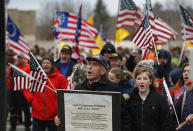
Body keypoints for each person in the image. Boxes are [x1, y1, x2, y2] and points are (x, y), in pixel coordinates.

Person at [55, 54, 130, 131]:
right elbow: (72, 113)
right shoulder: (79, 88)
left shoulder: (113, 89)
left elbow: (124, 118)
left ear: (103, 71)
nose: (89, 67)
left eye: (94, 64)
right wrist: (61, 120)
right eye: (89, 63)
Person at [24, 55, 68, 131]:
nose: (46, 64)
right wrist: (31, 99)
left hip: (54, 117)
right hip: (37, 115)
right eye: (44, 62)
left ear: (52, 65)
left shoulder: (60, 78)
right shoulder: (36, 76)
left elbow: (65, 93)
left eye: (48, 63)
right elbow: (26, 88)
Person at [127, 62, 173, 131]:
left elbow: (167, 124)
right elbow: (126, 122)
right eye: (139, 79)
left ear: (150, 81)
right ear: (135, 81)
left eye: (145, 79)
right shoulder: (130, 98)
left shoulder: (160, 99)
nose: (141, 81)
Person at [7, 53, 31, 131]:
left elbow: (27, 77)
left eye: (20, 58)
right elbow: (9, 77)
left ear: (24, 59)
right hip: (14, 90)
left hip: (24, 91)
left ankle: (27, 125)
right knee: (13, 109)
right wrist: (11, 69)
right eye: (18, 58)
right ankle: (13, 125)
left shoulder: (27, 67)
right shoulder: (13, 66)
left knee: (26, 109)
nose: (19, 59)